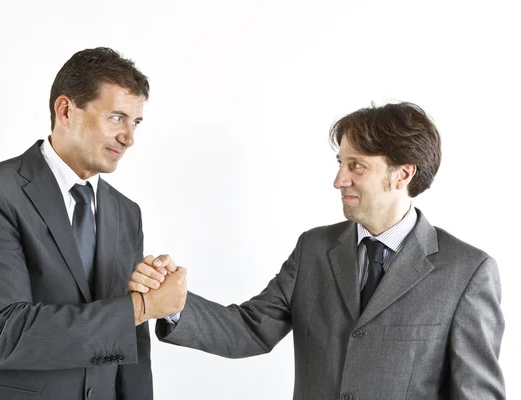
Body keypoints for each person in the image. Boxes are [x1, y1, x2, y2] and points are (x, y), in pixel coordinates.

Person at [130, 102, 506, 399]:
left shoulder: (467, 271)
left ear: (403, 174)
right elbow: (250, 329)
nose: (339, 180)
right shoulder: (314, 248)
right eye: (341, 163)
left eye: (356, 166)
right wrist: (174, 305)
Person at [0, 47, 186, 400]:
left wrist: (151, 290)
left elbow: (132, 347)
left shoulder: (126, 212)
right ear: (65, 110)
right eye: (117, 118)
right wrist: (144, 307)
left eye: (135, 123)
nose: (129, 138)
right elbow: (5, 336)